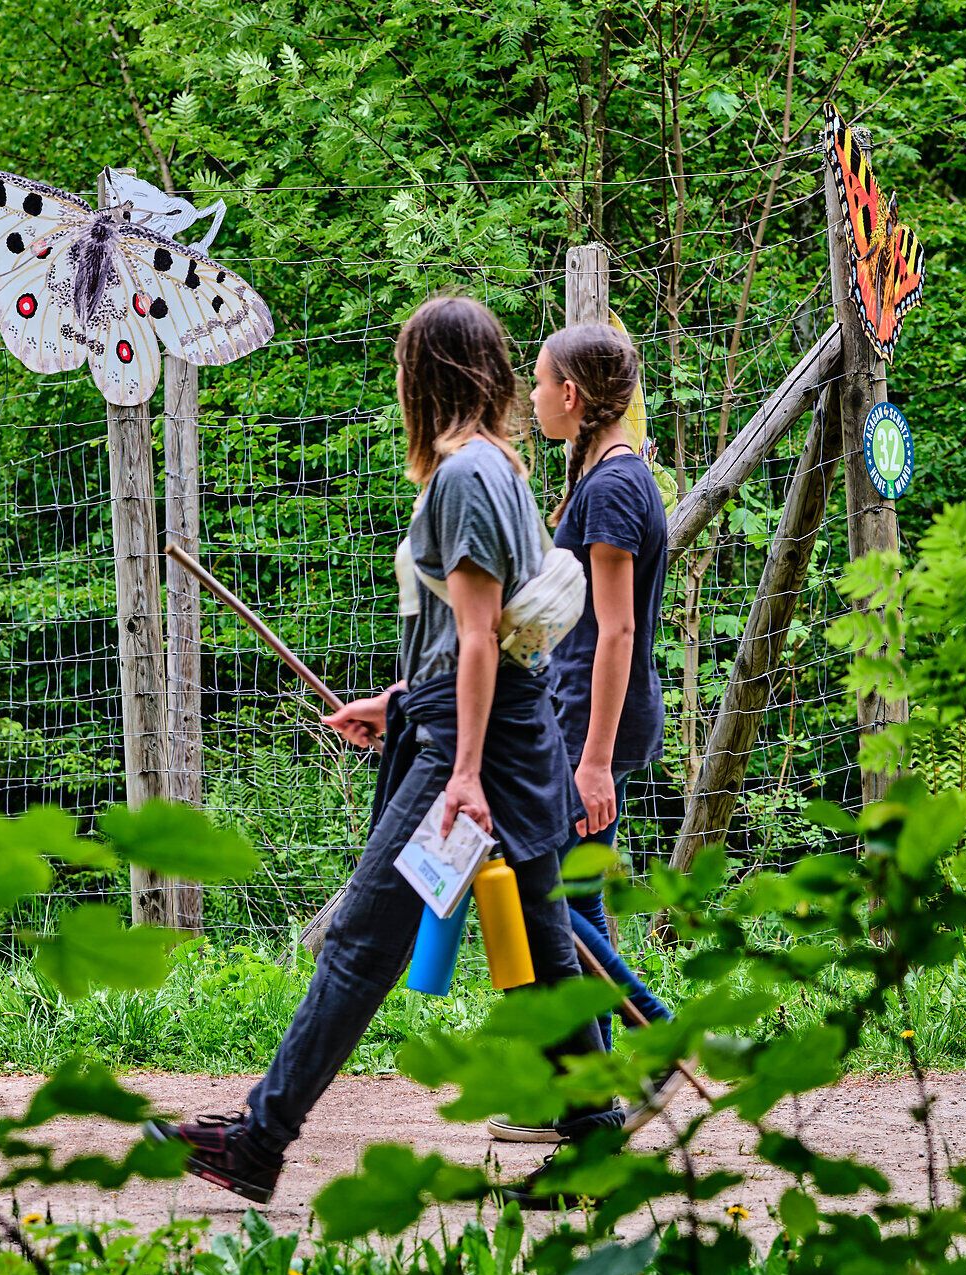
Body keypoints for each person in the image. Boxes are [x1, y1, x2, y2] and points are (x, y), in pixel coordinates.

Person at [145, 296, 623, 1205]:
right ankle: (599, 1139)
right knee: (545, 943)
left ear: (428, 375)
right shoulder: (492, 469)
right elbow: (475, 638)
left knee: (363, 939)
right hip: (477, 727)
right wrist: (401, 699)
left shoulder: (466, 478)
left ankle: (258, 1138)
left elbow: (484, 640)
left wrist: (465, 771)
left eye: (406, 367)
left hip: (472, 748)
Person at [487, 322, 681, 1143]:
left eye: (539, 384)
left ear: (572, 395)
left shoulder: (610, 490)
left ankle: (654, 1040)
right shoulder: (607, 475)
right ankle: (587, 1095)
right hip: (589, 715)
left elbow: (617, 633)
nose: (531, 399)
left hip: (592, 724)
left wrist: (594, 758)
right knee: (574, 896)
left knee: (556, 906)